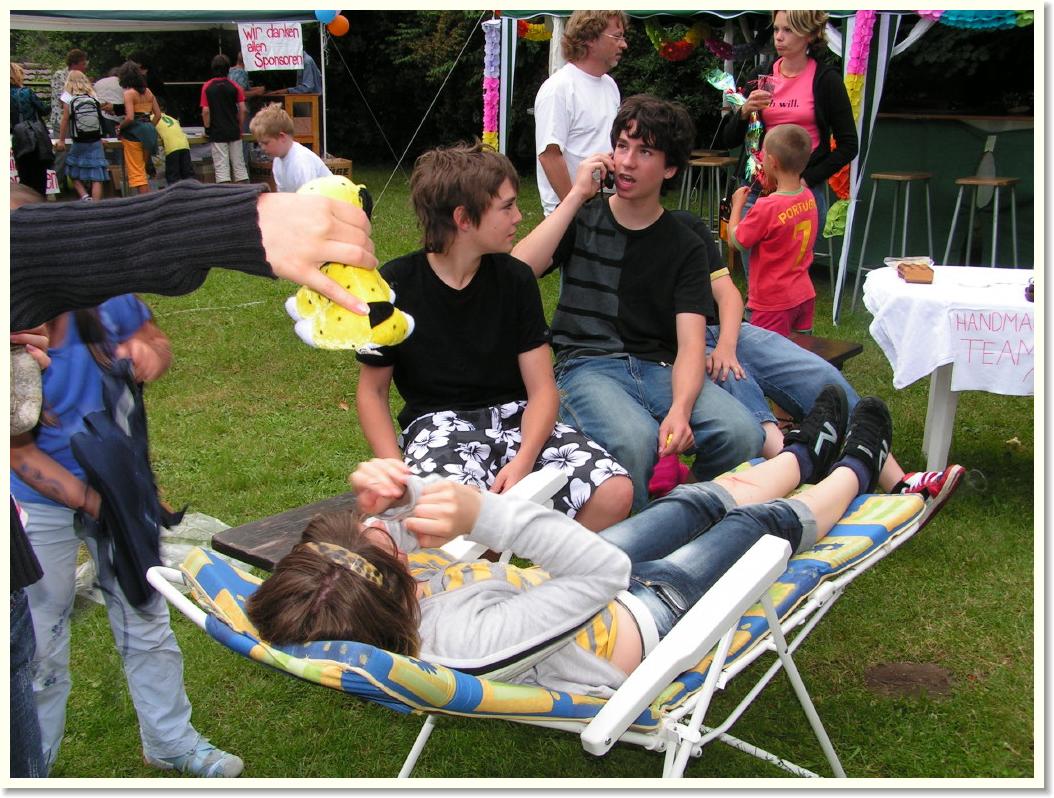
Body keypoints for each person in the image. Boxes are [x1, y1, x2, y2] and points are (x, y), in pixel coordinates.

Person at [247, 386, 904, 698]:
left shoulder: (382, 604)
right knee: (750, 529)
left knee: (690, 501)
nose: (391, 534)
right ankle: (855, 466)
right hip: (642, 618)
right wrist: (486, 515)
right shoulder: (471, 646)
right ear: (395, 594)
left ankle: (802, 453)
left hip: (561, 594)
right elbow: (606, 573)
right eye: (387, 546)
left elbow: (386, 544)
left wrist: (401, 495)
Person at [10, 293, 243, 777]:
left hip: (119, 483)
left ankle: (170, 741)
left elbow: (154, 339)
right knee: (38, 643)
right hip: (37, 503)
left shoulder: (108, 295)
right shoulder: (13, 328)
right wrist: (99, 502)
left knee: (145, 615)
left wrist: (150, 352)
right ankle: (30, 766)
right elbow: (18, 453)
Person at [355, 141, 632, 530]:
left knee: (614, 491)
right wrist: (396, 472)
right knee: (451, 518)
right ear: (464, 218)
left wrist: (524, 461)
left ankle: (542, 561)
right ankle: (487, 558)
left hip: (519, 421)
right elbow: (372, 392)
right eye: (507, 207)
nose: (519, 216)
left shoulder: (515, 279)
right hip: (439, 427)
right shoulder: (392, 286)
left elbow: (542, 390)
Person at [512, 95, 762, 512]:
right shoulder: (585, 217)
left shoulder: (685, 244)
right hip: (587, 366)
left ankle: (681, 511)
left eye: (644, 152)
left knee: (742, 433)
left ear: (670, 168)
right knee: (634, 441)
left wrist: (681, 409)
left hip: (659, 368)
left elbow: (690, 344)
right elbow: (516, 271)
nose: (626, 162)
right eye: (622, 146)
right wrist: (575, 196)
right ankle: (642, 535)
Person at [668, 208, 965, 527]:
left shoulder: (684, 225)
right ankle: (802, 473)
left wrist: (727, 345)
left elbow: (728, 295)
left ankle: (900, 483)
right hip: (679, 344)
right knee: (735, 380)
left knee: (821, 377)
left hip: (730, 331)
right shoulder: (629, 239)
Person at [716, 10, 857, 272]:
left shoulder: (826, 80)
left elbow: (849, 145)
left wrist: (807, 179)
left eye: (788, 30)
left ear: (810, 35)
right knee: (756, 273)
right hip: (758, 188)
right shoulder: (761, 76)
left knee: (790, 274)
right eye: (776, 29)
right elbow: (728, 139)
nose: (779, 37)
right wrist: (744, 111)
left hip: (800, 191)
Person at [533, 10, 628, 216]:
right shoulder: (558, 88)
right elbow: (549, 156)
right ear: (590, 38)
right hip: (570, 210)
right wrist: (575, 210)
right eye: (617, 36)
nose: (624, 44)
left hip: (605, 204)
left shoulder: (610, 85)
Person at [728, 123, 818, 337]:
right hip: (804, 294)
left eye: (763, 153)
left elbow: (735, 241)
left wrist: (736, 206)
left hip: (772, 303)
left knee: (764, 353)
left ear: (772, 161)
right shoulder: (808, 196)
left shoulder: (767, 207)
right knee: (799, 351)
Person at [249, 103, 331, 192]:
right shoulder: (277, 161)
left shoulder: (301, 161)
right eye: (260, 144)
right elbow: (283, 195)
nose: (262, 148)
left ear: (282, 137)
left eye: (266, 143)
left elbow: (309, 197)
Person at [55, 70, 108, 202]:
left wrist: (61, 140)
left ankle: (84, 196)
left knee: (71, 169)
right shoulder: (93, 95)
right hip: (95, 139)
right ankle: (95, 206)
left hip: (79, 140)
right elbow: (99, 118)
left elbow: (65, 119)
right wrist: (101, 136)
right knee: (97, 174)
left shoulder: (68, 96)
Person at [200, 54, 248, 184]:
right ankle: (245, 193)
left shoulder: (207, 87)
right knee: (240, 168)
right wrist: (239, 126)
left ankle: (226, 195)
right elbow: (243, 109)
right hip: (234, 131)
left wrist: (207, 129)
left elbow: (206, 111)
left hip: (217, 132)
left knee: (222, 171)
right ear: (228, 69)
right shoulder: (235, 86)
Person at [117, 61, 160, 195]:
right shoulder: (148, 92)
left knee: (137, 173)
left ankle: (145, 202)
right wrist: (149, 127)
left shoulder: (129, 93)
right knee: (143, 169)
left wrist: (120, 127)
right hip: (149, 131)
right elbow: (158, 115)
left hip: (133, 135)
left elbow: (130, 117)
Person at [10, 62, 53, 196]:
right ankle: (40, 200)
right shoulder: (26, 92)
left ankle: (27, 200)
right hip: (34, 137)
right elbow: (44, 110)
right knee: (39, 174)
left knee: (24, 174)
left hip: (18, 138)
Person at [154, 97, 195, 186]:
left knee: (173, 176)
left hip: (172, 147)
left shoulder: (153, 118)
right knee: (188, 174)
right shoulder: (173, 119)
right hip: (184, 145)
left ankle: (175, 193)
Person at [49, 49, 87, 136]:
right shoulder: (59, 75)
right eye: (83, 64)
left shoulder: (81, 78)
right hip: (62, 120)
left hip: (78, 120)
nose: (85, 67)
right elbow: (63, 98)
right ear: (74, 64)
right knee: (63, 144)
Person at [93, 67, 124, 138]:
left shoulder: (99, 82)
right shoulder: (122, 82)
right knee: (115, 140)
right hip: (115, 116)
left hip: (98, 114)